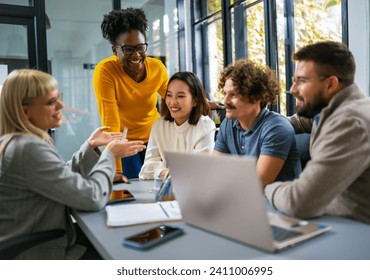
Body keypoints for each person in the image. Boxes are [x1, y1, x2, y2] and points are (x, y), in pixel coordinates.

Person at [0, 69, 146, 259]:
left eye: (58, 97)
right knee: (129, 251)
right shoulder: (28, 149)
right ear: (25, 111)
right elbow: (92, 197)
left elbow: (59, 176)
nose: (61, 105)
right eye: (51, 102)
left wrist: (91, 145)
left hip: (46, 238)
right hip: (41, 253)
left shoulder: (19, 142)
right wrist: (109, 156)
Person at [265, 41, 370, 230]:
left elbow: (298, 202)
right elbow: (295, 122)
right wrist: (261, 122)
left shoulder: (350, 123)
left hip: (369, 234)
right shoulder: (329, 110)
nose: (293, 89)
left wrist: (266, 187)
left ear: (331, 83)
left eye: (302, 80)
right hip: (341, 222)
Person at [93, 7, 168, 182]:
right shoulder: (106, 71)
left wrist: (201, 101)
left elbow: (173, 97)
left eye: (140, 47)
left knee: (159, 184)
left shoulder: (157, 67)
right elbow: (110, 121)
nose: (136, 55)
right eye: (127, 49)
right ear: (115, 50)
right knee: (132, 185)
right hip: (125, 142)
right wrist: (114, 168)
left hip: (155, 138)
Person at [213, 59, 301, 186]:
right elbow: (214, 172)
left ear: (256, 97)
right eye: (225, 93)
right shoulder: (228, 124)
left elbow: (258, 184)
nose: (225, 101)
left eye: (233, 95)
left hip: (277, 203)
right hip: (242, 200)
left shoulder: (277, 127)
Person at [139, 71, 215, 179]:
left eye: (180, 96)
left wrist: (163, 170)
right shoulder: (159, 126)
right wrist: (166, 171)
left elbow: (199, 169)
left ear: (195, 101)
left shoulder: (205, 126)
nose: (172, 102)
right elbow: (146, 169)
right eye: (169, 95)